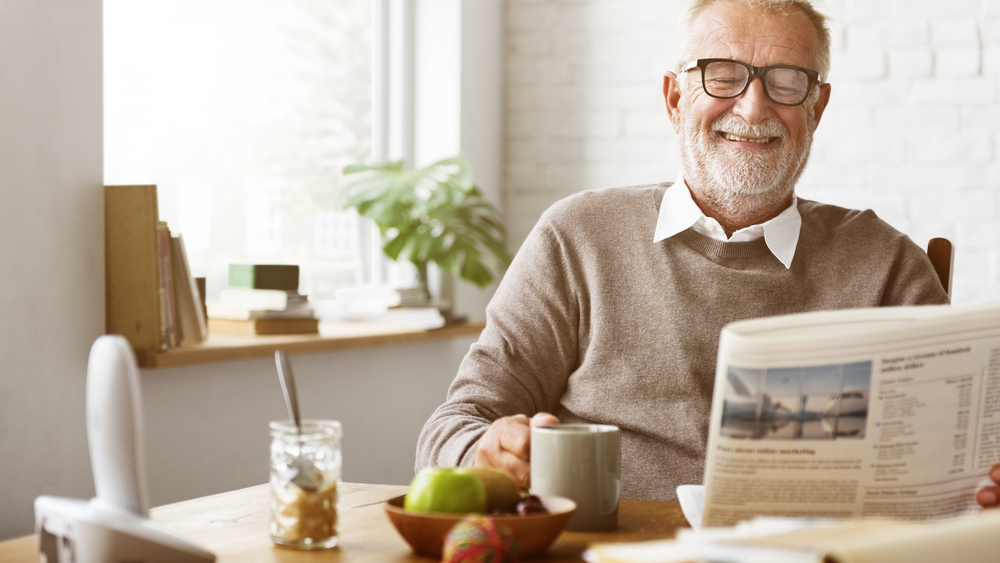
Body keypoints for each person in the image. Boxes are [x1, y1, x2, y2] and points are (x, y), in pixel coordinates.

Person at [415, 0, 994, 504]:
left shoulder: (886, 265)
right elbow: (452, 428)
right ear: (674, 98)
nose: (753, 107)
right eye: (722, 75)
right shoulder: (577, 237)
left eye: (788, 81)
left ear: (816, 108)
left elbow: (959, 457)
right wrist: (483, 452)